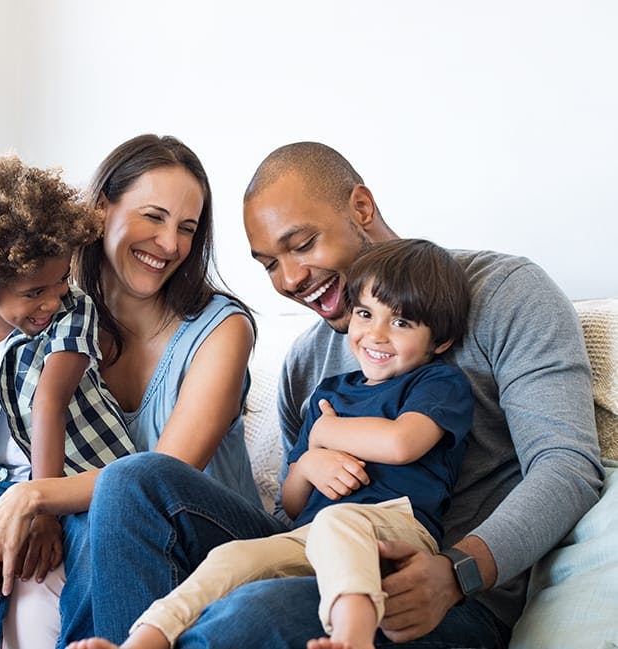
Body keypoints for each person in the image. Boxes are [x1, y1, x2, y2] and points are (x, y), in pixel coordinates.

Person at [76, 142, 603, 648]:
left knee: (250, 613)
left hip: (441, 592)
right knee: (133, 480)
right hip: (318, 558)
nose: (290, 279)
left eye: (302, 245)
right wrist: (308, 467)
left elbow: (566, 465)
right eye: (268, 264)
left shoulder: (504, 292)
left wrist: (456, 572)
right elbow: (293, 512)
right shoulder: (306, 362)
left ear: (362, 207)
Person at [0, 134, 262, 648]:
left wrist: (32, 499)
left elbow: (155, 481)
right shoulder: (48, 319)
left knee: (120, 496)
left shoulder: (221, 329)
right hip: (97, 518)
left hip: (203, 534)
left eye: (187, 229)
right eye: (154, 217)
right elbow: (1, 445)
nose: (172, 244)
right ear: (101, 209)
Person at [69, 238, 474, 649]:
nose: (376, 334)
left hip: (395, 532)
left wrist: (323, 435)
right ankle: (140, 642)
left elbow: (403, 443)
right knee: (231, 559)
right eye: (366, 314)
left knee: (340, 522)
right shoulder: (330, 393)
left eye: (401, 323)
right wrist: (307, 467)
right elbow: (293, 502)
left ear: (439, 341)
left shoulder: (437, 382)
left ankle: (353, 636)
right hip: (312, 535)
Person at [0, 155, 137, 648]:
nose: (54, 299)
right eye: (35, 291)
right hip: (1, 487)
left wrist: (42, 510)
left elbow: (49, 403)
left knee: (93, 542)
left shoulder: (71, 313)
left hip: (85, 479)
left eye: (62, 280)